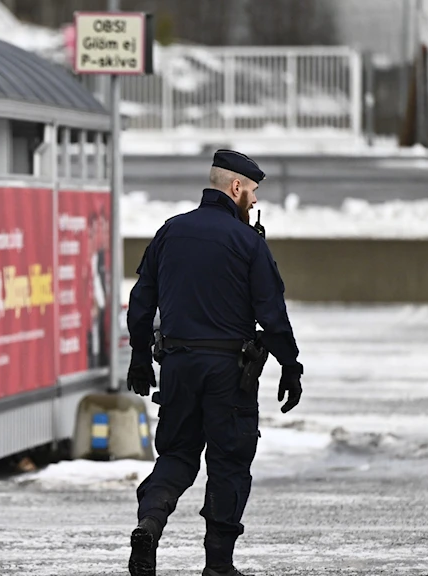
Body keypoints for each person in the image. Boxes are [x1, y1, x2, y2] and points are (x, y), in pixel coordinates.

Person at [124, 150, 303, 576]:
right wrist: (290, 367)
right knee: (228, 462)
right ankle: (219, 566)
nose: (255, 201)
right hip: (229, 372)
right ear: (236, 187)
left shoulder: (170, 232)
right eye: (254, 191)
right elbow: (271, 314)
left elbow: (141, 300)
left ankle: (149, 522)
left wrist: (138, 357)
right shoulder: (247, 242)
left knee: (177, 453)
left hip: (178, 365)